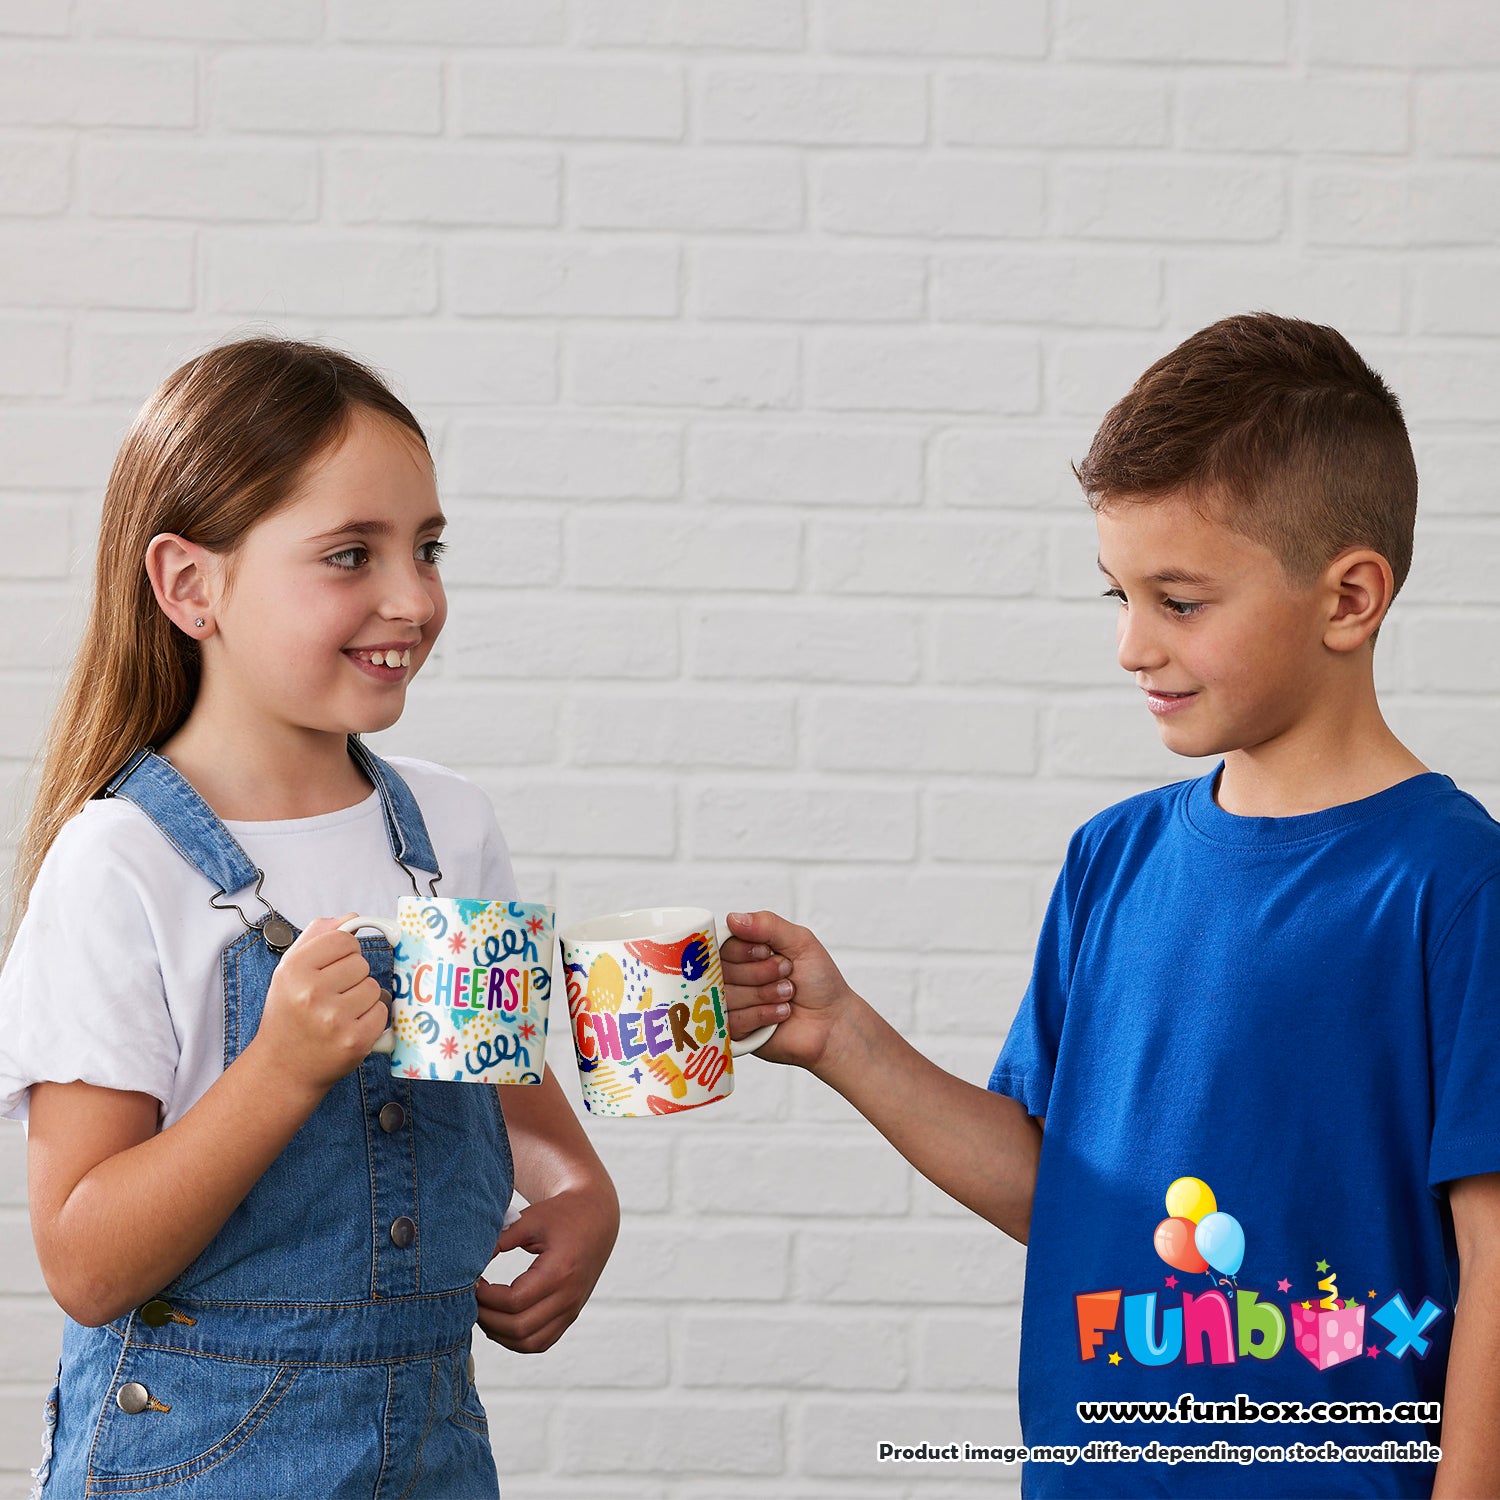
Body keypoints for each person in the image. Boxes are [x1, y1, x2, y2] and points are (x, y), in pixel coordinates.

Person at [723, 313, 1500, 1499]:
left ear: (1348, 599)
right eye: (1118, 595)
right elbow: (1065, 1196)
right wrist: (842, 1038)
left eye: (1179, 601)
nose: (1133, 645)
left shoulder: (1456, 886)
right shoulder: (1112, 861)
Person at [0, 338, 620, 1498]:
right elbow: (85, 1262)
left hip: (432, 1449)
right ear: (191, 586)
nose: (414, 599)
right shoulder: (118, 865)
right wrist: (281, 1070)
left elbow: (501, 1081)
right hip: (188, 1457)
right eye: (350, 555)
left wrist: (578, 1190)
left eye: (427, 548)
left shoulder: (448, 832)